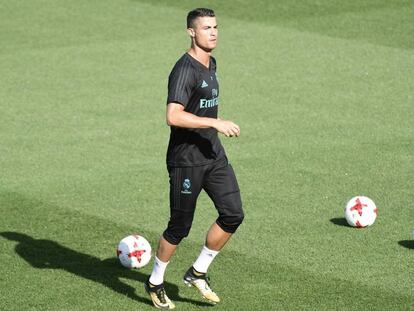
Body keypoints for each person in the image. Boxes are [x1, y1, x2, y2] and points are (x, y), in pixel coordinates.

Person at [145, 8, 244, 309]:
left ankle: (197, 271)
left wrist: (212, 131)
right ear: (191, 32)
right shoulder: (184, 69)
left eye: (215, 27)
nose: (213, 33)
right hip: (186, 161)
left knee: (233, 214)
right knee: (179, 227)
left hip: (212, 154)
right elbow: (172, 115)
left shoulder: (210, 63)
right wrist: (214, 123)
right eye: (206, 28)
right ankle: (155, 282)